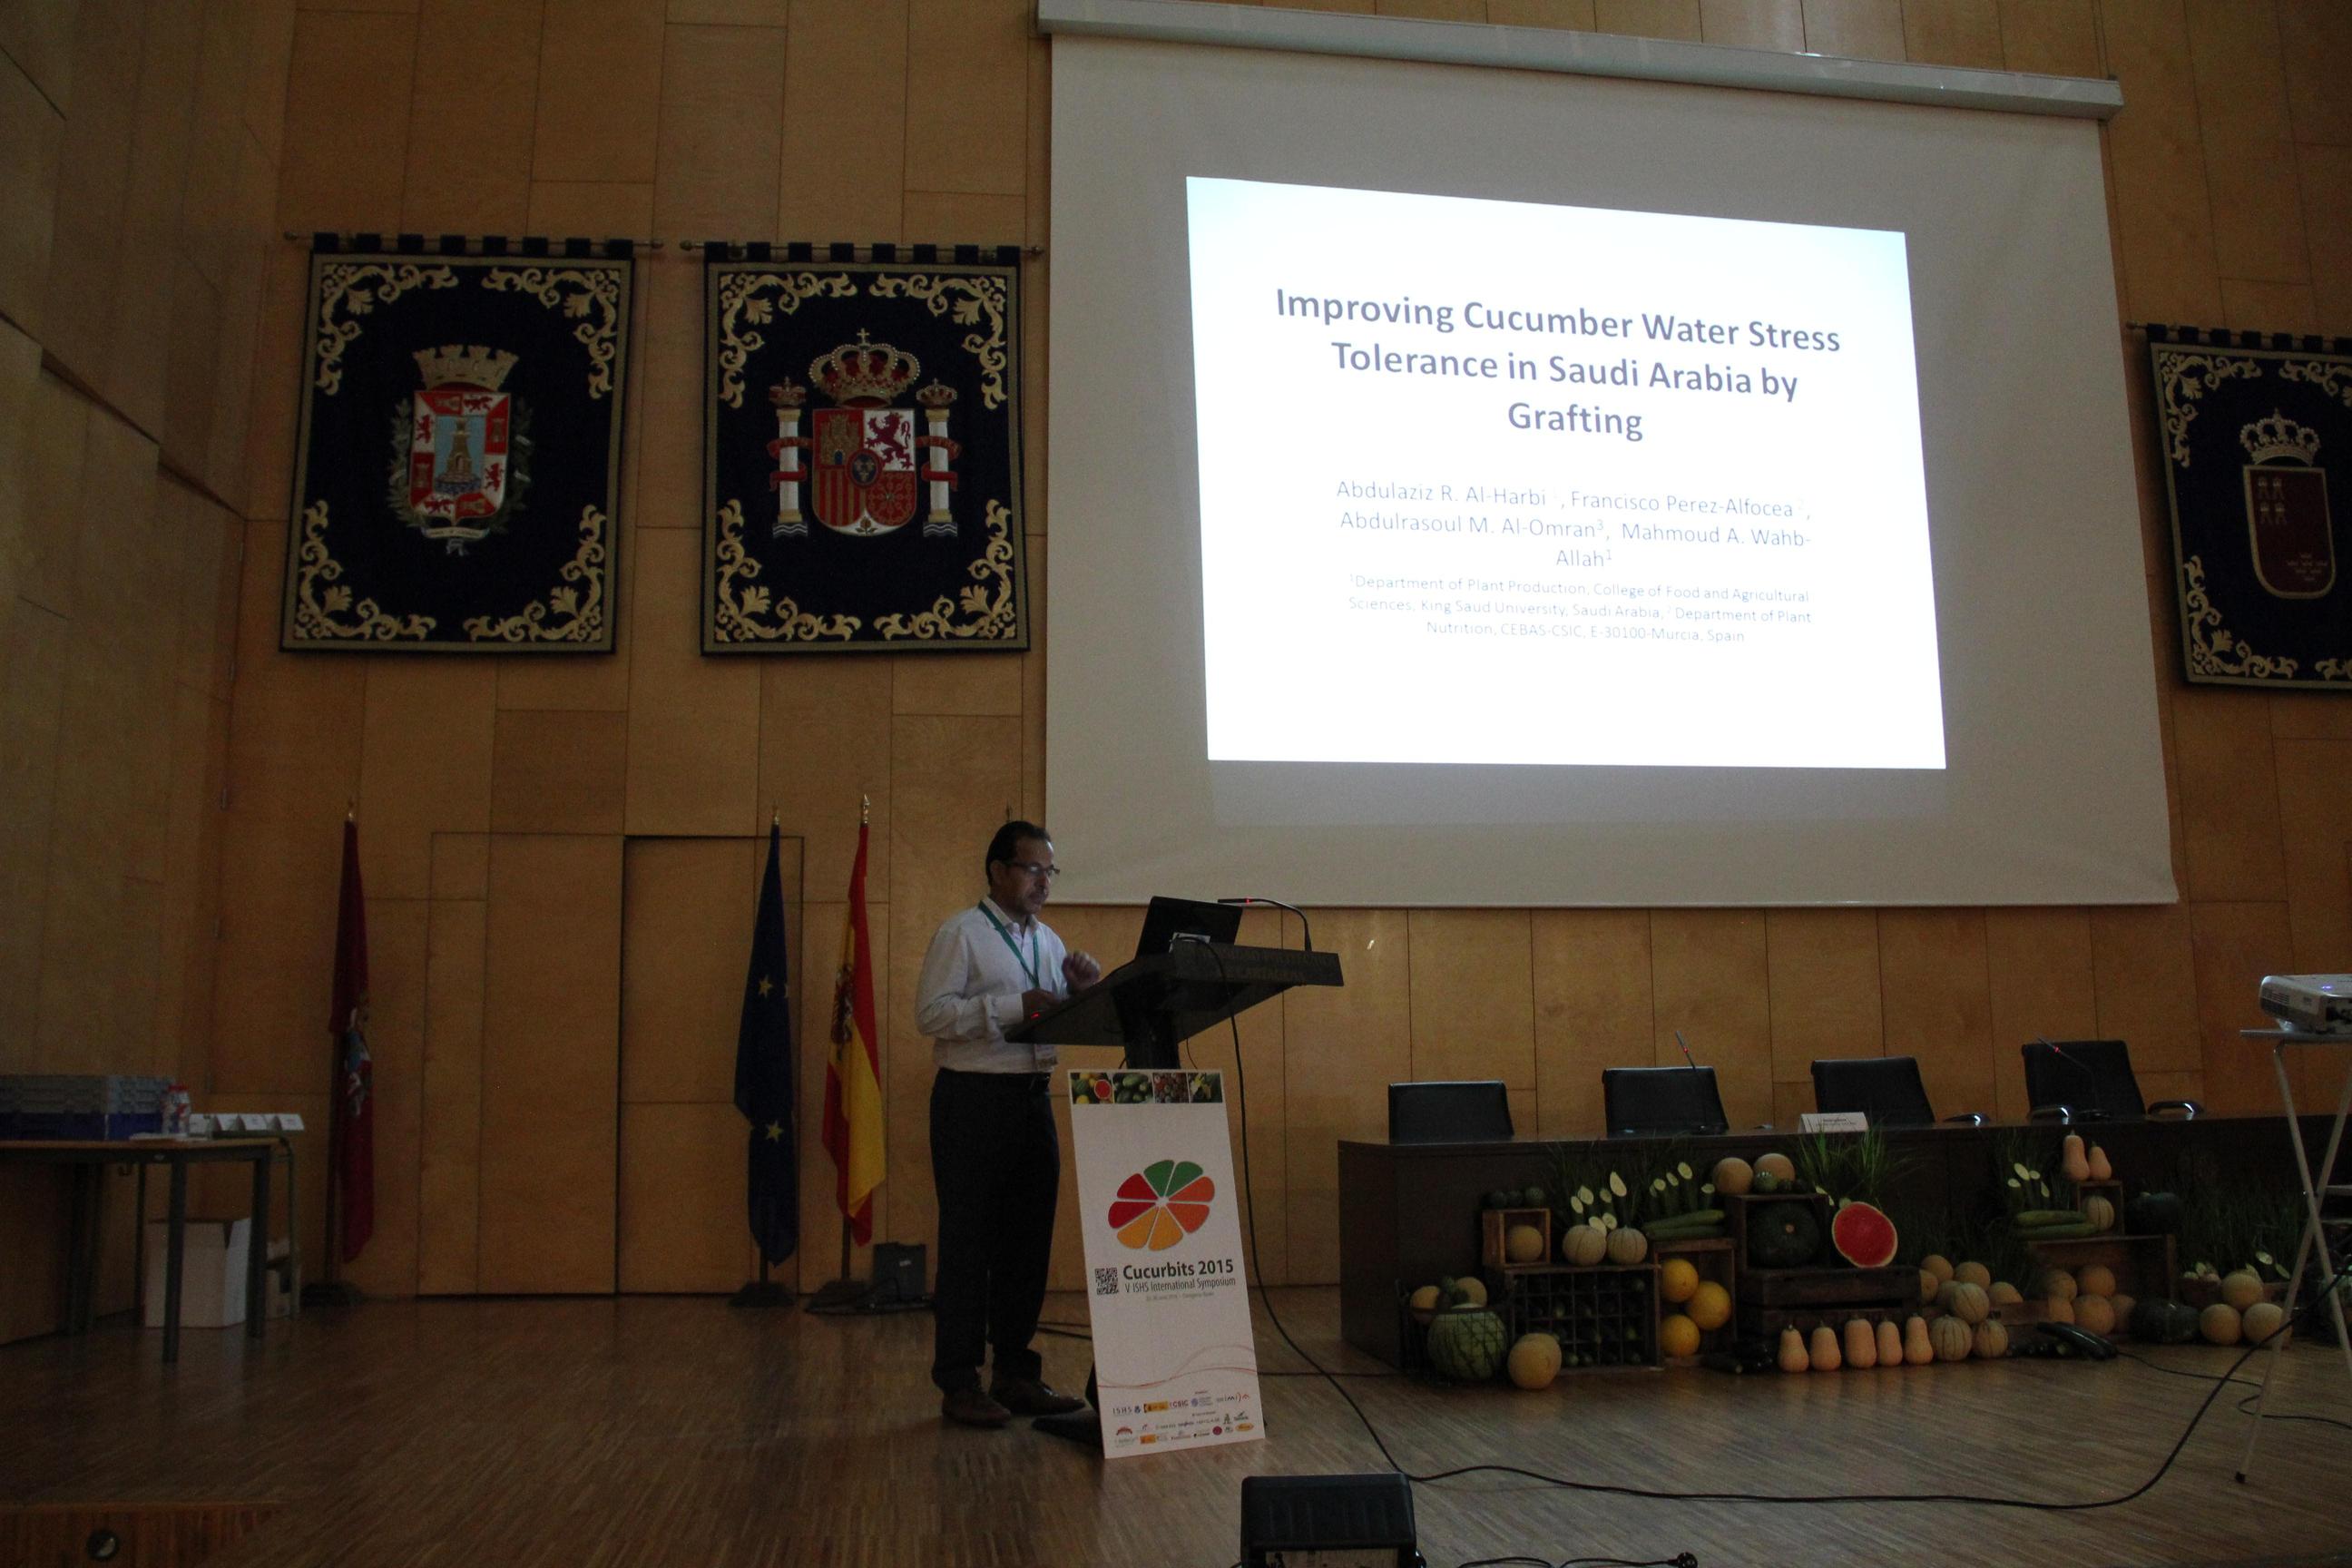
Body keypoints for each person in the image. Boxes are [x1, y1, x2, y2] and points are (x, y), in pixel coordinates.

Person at [914, 819, 1104, 1427]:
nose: (1043, 882)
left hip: (1032, 1101)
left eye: (1051, 871)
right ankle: (959, 1381)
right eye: (1032, 869)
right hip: (972, 1101)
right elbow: (931, 1015)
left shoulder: (1049, 942)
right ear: (998, 871)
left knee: (1028, 1244)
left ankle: (1016, 1374)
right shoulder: (961, 934)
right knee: (969, 1243)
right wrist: (1008, 1006)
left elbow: (1048, 1017)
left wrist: (1079, 994)